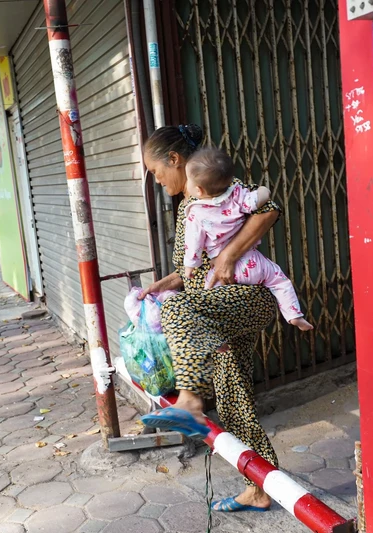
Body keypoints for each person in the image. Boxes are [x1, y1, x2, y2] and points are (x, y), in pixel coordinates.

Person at [139, 124, 284, 513]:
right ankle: (258, 487)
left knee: (176, 308)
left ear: (174, 160)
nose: (156, 181)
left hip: (245, 298)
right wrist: (163, 282)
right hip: (213, 310)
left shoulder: (219, 186)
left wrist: (230, 255)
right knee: (234, 398)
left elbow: (269, 209)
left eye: (156, 172)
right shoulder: (189, 204)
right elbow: (192, 271)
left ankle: (189, 401)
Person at [183, 147, 313, 331]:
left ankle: (215, 337)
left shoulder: (195, 213)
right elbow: (258, 200)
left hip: (220, 271)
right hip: (254, 263)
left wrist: (191, 266)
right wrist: (264, 190)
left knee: (209, 300)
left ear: (198, 189)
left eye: (188, 179)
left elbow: (193, 243)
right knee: (280, 281)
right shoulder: (237, 193)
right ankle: (294, 316)